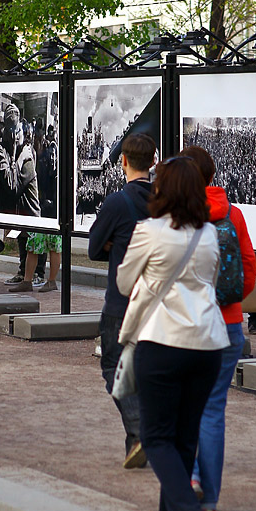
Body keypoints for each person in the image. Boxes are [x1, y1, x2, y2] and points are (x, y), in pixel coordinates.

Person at [117, 156, 229, 511]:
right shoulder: (209, 234)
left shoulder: (150, 230)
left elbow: (124, 281)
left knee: (156, 436)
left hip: (162, 340)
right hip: (207, 344)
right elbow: (210, 283)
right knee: (184, 439)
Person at [181, 145, 256, 511]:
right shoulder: (234, 215)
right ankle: (209, 497)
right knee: (213, 409)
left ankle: (190, 478)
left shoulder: (179, 217)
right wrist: (228, 299)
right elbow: (248, 271)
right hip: (228, 324)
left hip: (191, 324)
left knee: (182, 405)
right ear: (211, 177)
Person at [88, 133, 155, 469]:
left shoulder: (116, 203)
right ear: (153, 161)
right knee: (146, 369)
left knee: (114, 366)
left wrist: (114, 244)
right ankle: (135, 443)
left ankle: (140, 432)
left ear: (123, 161)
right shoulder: (164, 199)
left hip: (122, 299)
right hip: (158, 300)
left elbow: (93, 249)